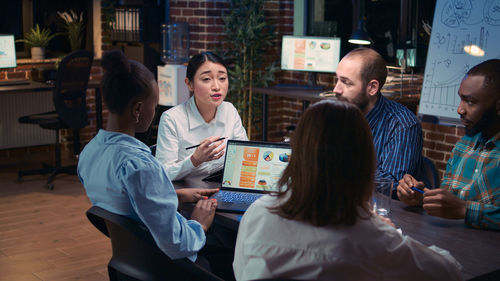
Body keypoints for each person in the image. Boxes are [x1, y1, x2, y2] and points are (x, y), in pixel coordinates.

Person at [233, 99, 463, 281]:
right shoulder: (372, 239)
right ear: (364, 160)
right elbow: (450, 272)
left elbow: (240, 270)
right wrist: (389, 234)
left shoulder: (258, 213)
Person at [77, 50, 219, 264]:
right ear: (138, 109)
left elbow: (123, 200)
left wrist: (172, 195)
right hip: (166, 266)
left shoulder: (89, 153)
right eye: (154, 105)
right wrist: (200, 224)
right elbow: (177, 244)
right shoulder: (139, 166)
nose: (154, 113)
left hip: (134, 259)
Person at [397, 59, 500, 231]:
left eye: (471, 102)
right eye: (461, 99)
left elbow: (459, 209)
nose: (460, 109)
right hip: (452, 243)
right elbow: (450, 203)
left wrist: (465, 210)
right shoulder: (463, 146)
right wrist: (422, 197)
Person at [333, 47, 424, 196]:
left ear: (372, 87)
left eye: (346, 82)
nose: (336, 89)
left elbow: (392, 184)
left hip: (384, 212)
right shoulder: (338, 115)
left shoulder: (402, 124)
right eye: (337, 79)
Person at [156, 51, 248, 181]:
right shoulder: (171, 119)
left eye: (222, 78)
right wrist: (195, 160)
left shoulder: (229, 110)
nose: (216, 87)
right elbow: (163, 173)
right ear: (189, 84)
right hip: (187, 193)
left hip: (221, 187)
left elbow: (244, 156)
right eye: (206, 79)